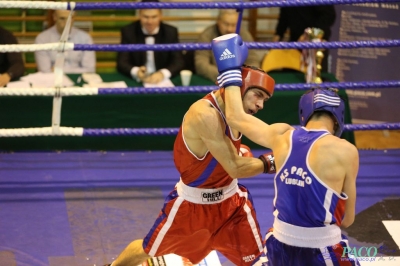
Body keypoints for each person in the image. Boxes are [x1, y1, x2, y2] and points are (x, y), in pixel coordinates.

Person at [211, 33, 360, 265]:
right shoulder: (346, 150)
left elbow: (234, 117)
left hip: (277, 245)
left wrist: (229, 67)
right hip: (321, 250)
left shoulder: (281, 135)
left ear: (304, 114)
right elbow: (348, 220)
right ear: (338, 119)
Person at [106, 67, 277, 265]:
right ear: (240, 87)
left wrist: (292, 144)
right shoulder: (204, 113)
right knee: (149, 249)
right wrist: (272, 161)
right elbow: (235, 167)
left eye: (265, 99)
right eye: (258, 95)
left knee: (256, 261)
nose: (260, 105)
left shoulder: (238, 115)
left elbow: (270, 135)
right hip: (192, 209)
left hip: (232, 206)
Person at [116, 0, 185, 84]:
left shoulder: (170, 32)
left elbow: (178, 61)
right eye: (146, 17)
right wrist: (136, 71)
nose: (150, 22)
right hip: (137, 82)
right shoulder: (128, 31)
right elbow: (122, 62)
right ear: (139, 15)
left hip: (163, 82)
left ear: (160, 16)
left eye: (154, 17)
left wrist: (162, 73)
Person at [195, 9, 260, 82]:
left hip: (240, 80)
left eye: (233, 25)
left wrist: (242, 75)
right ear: (218, 21)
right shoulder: (206, 35)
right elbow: (201, 64)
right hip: (216, 81)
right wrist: (228, 76)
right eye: (226, 24)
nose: (229, 29)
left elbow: (253, 61)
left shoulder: (245, 35)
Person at [272, 6, 336, 72]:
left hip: (316, 44)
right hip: (295, 44)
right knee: (289, 76)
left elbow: (329, 15)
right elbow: (284, 17)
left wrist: (309, 34)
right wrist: (278, 35)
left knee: (314, 77)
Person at [34, 9, 96, 73]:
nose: (67, 23)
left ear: (74, 17)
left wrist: (57, 70)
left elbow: (90, 70)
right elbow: (45, 71)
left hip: (78, 79)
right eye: (62, 18)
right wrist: (76, 70)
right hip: (52, 80)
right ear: (54, 17)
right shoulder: (42, 39)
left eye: (70, 18)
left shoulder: (85, 38)